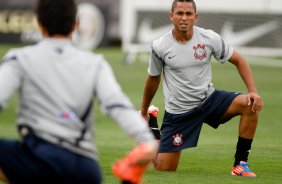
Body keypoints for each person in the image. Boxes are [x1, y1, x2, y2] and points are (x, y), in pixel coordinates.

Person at [0, 0, 157, 183]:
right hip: (84, 167)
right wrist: (147, 141)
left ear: (39, 23)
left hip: (36, 158)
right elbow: (117, 105)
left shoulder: (19, 59)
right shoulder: (95, 63)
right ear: (76, 25)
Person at [140, 0, 263, 177]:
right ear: (171, 16)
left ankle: (241, 164)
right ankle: (151, 126)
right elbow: (153, 79)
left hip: (209, 100)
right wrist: (144, 110)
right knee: (164, 169)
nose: (184, 18)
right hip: (179, 112)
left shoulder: (209, 38)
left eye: (188, 14)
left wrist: (253, 91)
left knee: (250, 104)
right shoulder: (160, 46)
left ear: (195, 17)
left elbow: (239, 60)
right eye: (179, 13)